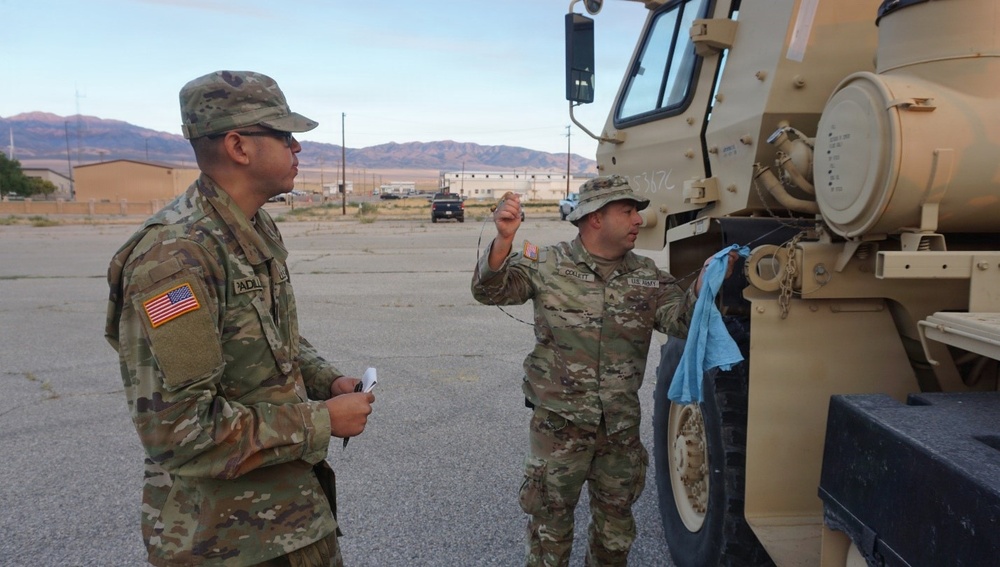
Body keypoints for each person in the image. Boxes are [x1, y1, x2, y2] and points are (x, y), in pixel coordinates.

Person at [104, 70, 375, 567]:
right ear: (238, 146)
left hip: (290, 521)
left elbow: (269, 336)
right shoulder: (176, 259)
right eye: (285, 135)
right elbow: (180, 431)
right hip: (228, 542)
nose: (297, 147)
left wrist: (327, 380)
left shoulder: (250, 225)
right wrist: (321, 421)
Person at [472, 176, 734, 566]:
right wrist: (504, 240)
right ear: (595, 218)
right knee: (549, 533)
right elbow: (488, 291)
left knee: (615, 535)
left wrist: (701, 286)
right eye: (627, 211)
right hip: (559, 429)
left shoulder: (646, 275)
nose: (638, 220)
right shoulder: (548, 263)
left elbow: (681, 321)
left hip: (619, 431)